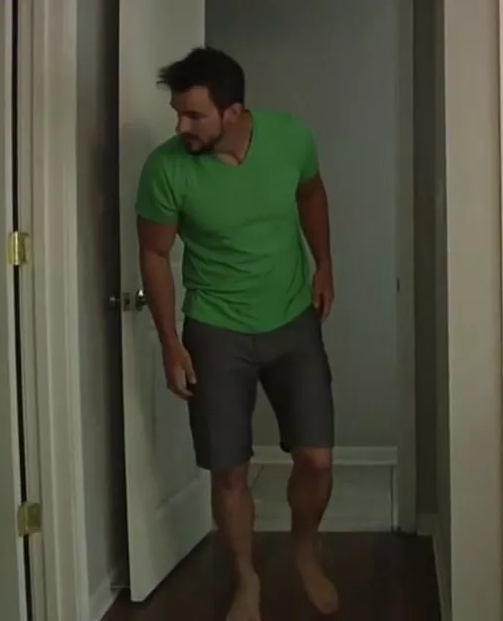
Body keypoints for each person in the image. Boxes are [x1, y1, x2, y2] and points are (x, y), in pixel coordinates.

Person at [134, 46, 338, 620]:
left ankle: (304, 549)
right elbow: (154, 254)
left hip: (293, 321)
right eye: (177, 114)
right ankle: (246, 578)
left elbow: (311, 193)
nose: (181, 127)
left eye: (193, 115)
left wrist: (325, 263)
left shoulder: (291, 138)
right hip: (216, 329)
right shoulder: (166, 169)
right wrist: (171, 343)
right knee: (229, 470)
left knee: (317, 459)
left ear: (233, 112)